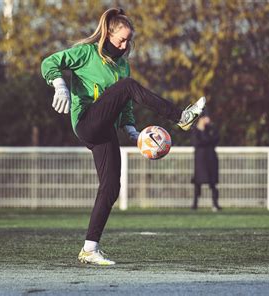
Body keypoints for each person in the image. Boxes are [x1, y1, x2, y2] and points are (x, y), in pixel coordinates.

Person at [41, 8, 206, 265]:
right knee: (128, 87)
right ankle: (181, 117)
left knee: (111, 188)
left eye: (130, 40)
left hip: (105, 128)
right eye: (121, 38)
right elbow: (48, 63)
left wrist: (131, 130)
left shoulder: (122, 66)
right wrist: (59, 85)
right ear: (108, 33)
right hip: (86, 123)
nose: (126, 44)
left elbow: (125, 105)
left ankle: (89, 249)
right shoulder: (86, 53)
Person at [191, 114, 221, 212]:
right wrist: (204, 134)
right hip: (200, 159)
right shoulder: (195, 130)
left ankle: (215, 204)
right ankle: (194, 204)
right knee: (197, 182)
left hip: (211, 158)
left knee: (213, 183)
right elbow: (197, 143)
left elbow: (215, 139)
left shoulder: (211, 129)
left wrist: (205, 134)